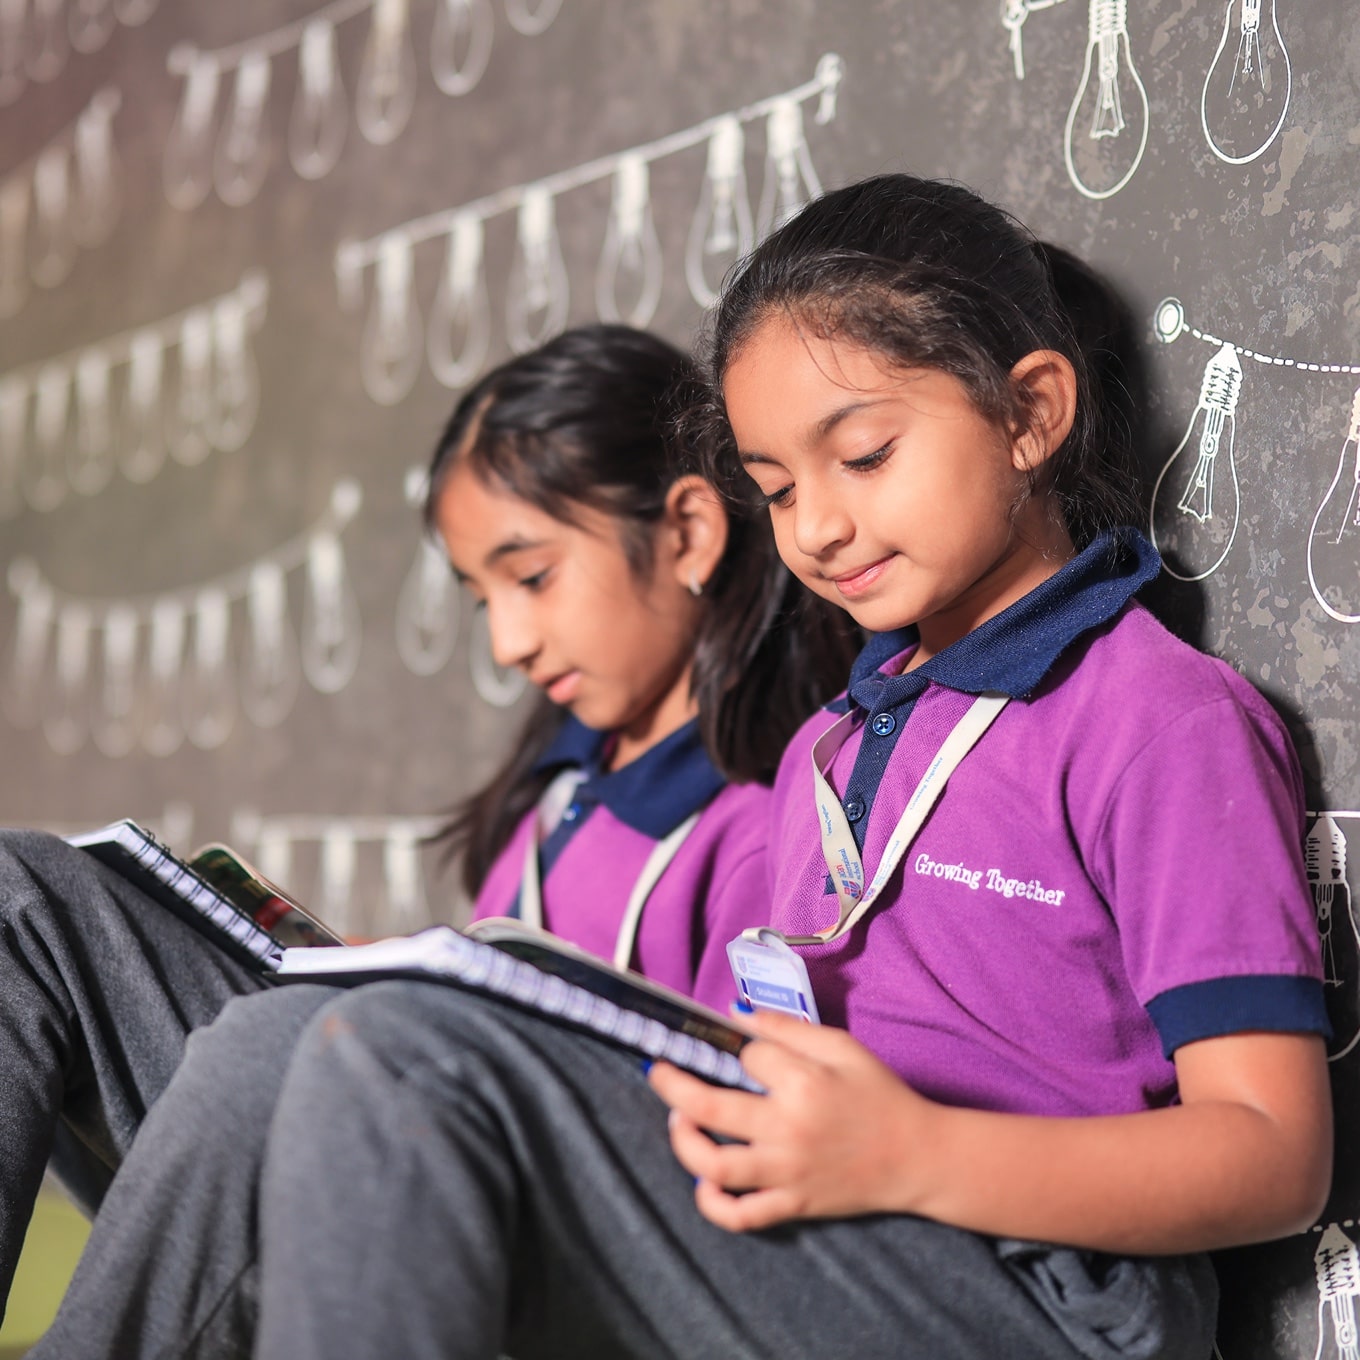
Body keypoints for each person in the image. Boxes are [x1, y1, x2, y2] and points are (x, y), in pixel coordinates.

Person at [36, 178, 1331, 1360]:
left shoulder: (1160, 719)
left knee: (395, 1056)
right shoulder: (839, 739)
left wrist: (917, 1155)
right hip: (826, 1238)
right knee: (286, 1039)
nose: (817, 525)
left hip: (1039, 1296)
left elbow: (1274, 1156)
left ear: (1031, 413)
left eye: (864, 456)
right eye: (775, 486)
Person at [1, 322, 856, 1330]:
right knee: (23, 895)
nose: (507, 641)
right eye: (479, 596)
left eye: (530, 577)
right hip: (371, 1133)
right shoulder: (555, 794)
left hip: (543, 1217)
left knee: (341, 1049)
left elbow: (720, 1150)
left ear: (687, 533)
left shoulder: (767, 822)